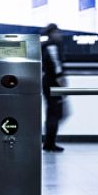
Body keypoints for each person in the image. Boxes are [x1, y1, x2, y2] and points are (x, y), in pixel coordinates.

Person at [41, 24, 66, 152]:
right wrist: (62, 84)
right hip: (53, 83)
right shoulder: (52, 47)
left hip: (48, 82)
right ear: (51, 33)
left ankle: (49, 142)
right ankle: (49, 143)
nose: (59, 35)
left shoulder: (46, 46)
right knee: (55, 113)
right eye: (57, 32)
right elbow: (56, 67)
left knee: (52, 113)